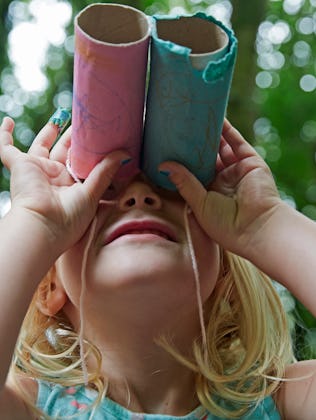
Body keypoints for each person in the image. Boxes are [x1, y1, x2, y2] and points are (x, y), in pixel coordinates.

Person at [0, 113, 316, 420]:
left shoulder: (288, 401)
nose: (140, 194)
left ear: (225, 277)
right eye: (101, 187)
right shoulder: (30, 408)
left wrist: (263, 224)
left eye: (172, 185)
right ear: (49, 286)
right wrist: (37, 218)